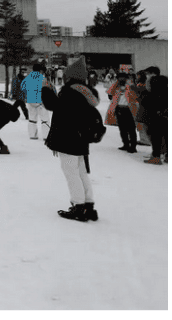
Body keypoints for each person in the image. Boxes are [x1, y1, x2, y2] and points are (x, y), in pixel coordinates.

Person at [42, 57, 103, 222]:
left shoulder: (70, 91)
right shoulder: (85, 91)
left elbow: (54, 106)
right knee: (81, 172)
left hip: (67, 137)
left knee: (71, 173)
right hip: (80, 138)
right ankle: (88, 205)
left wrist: (46, 89)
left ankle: (79, 206)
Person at [138, 68, 167, 165]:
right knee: (166, 137)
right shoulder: (166, 93)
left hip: (154, 118)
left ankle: (156, 157)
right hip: (165, 117)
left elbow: (144, 102)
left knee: (156, 138)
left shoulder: (150, 95)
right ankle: (167, 156)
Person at [106, 73, 140, 153]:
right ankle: (126, 144)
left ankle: (133, 146)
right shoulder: (116, 87)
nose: (121, 79)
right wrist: (115, 84)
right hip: (119, 108)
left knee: (131, 129)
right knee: (122, 128)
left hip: (129, 109)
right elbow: (109, 92)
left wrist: (129, 86)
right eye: (119, 78)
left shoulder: (131, 86)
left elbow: (136, 96)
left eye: (123, 78)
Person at [20, 63, 52, 139]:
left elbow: (22, 87)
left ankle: (32, 135)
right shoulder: (43, 78)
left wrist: (29, 93)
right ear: (40, 70)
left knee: (32, 118)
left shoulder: (27, 78)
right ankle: (46, 136)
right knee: (45, 119)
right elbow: (47, 88)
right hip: (41, 101)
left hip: (30, 101)